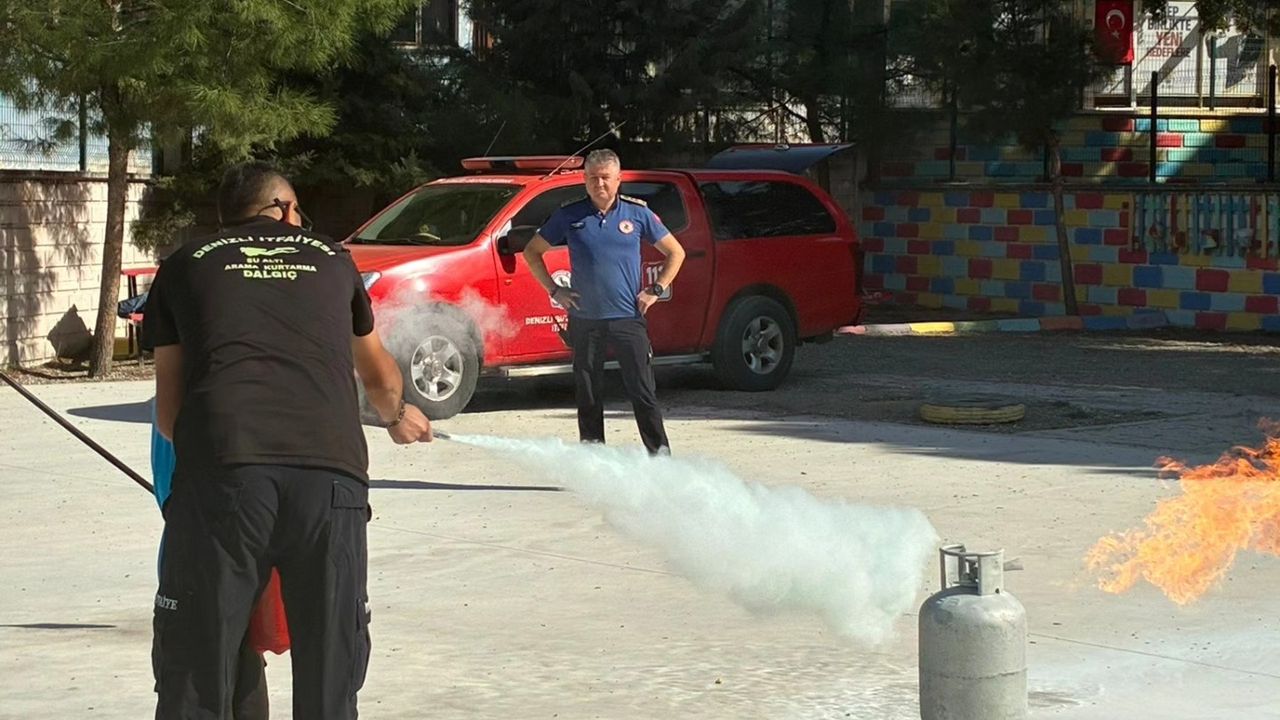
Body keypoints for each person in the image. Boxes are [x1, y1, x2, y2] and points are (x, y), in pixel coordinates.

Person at [144, 161, 433, 719]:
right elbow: (378, 377)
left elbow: (168, 413)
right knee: (330, 674)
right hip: (330, 480)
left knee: (198, 670)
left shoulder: (184, 264)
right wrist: (398, 415)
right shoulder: (333, 258)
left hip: (224, 475)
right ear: (284, 209)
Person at [523, 149, 686, 455]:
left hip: (627, 318)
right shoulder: (569, 215)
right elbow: (532, 252)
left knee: (643, 392)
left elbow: (676, 252)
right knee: (588, 395)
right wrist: (555, 291)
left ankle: (661, 459)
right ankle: (594, 461)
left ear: (618, 179)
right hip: (585, 320)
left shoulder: (637, 214)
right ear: (584, 180)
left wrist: (656, 289)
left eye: (605, 178)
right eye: (593, 178)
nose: (599, 184)